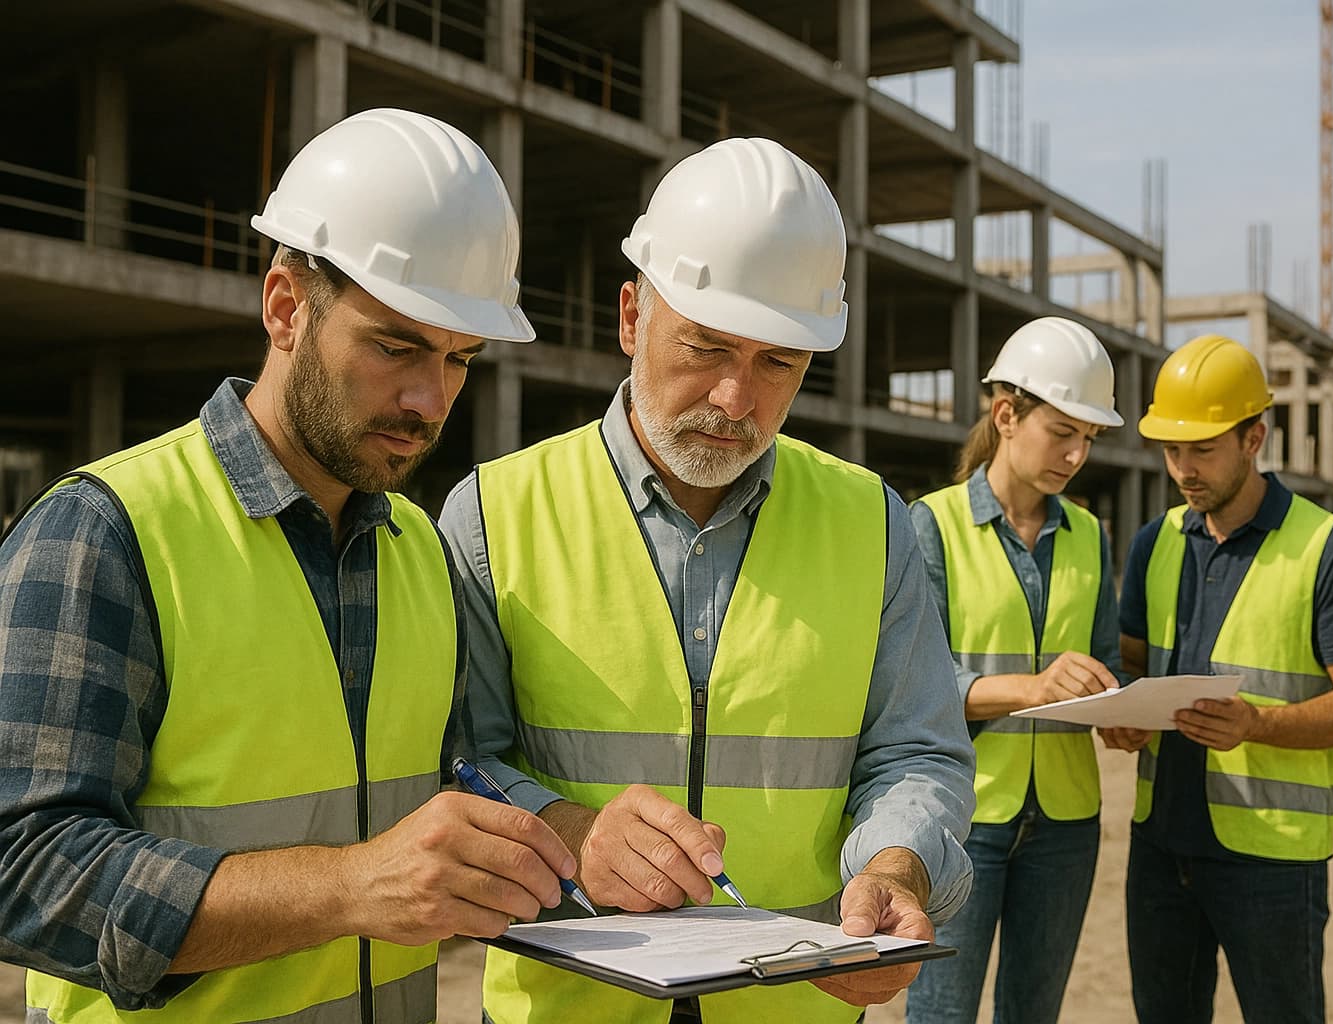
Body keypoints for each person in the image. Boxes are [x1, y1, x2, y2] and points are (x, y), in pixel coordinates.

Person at [0, 108, 579, 1023]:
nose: (430, 400)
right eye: (395, 345)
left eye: (459, 359)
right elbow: (22, 869)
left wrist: (566, 830)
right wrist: (348, 888)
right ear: (283, 307)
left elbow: (443, 772)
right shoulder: (104, 532)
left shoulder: (418, 551)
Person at [439, 136, 977, 1024]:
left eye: (779, 363)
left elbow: (916, 750)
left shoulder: (872, 522)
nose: (736, 398)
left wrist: (895, 867)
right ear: (629, 316)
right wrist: (572, 835)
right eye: (707, 346)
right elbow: (454, 761)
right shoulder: (493, 514)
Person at [1107, 334, 1333, 1024]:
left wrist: (1258, 723)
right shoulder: (1156, 542)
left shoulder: (1328, 550)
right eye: (1172, 450)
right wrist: (1118, 705)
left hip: (1272, 861)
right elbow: (1135, 663)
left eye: (1202, 450)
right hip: (1161, 847)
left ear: (1255, 436)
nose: (1183, 469)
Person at [904, 317, 1125, 1024]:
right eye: (1063, 431)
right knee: (941, 1013)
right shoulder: (929, 526)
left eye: (1088, 438)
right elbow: (916, 686)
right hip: (962, 818)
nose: (1077, 454)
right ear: (1006, 415)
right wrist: (1036, 688)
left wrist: (1121, 711)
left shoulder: (1090, 535)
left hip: (1066, 823)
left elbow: (1104, 664)